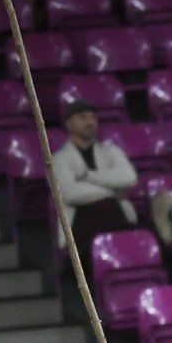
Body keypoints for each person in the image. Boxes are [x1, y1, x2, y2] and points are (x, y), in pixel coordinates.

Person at [51, 98, 138, 270]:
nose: (90, 122)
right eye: (83, 118)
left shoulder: (111, 151)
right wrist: (111, 192)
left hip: (115, 214)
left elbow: (130, 178)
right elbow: (69, 194)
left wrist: (88, 177)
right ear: (69, 124)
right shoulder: (58, 159)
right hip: (81, 221)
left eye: (93, 118)